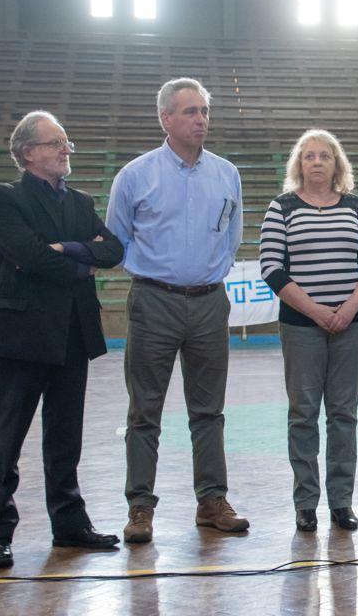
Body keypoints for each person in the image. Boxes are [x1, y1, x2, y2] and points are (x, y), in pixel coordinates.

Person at [0, 111, 124, 568]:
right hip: (22, 334)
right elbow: (27, 257)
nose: (66, 150)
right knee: (9, 437)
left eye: (67, 143)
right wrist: (82, 259)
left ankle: (70, 525)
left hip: (72, 334)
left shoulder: (79, 202)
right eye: (56, 143)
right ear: (28, 153)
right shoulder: (4, 197)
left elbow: (114, 250)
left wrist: (66, 249)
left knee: (65, 436)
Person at [106, 77, 248, 543]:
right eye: (189, 111)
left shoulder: (227, 174)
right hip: (154, 302)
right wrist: (159, 275)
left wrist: (208, 272)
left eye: (204, 110)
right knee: (144, 411)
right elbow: (116, 239)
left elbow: (233, 237)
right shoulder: (135, 175)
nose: (200, 119)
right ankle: (140, 507)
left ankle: (212, 501)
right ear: (165, 118)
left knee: (209, 411)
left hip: (209, 302)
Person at [259, 129, 358, 533]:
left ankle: (341, 502)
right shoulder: (281, 208)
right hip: (301, 328)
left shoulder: (356, 206)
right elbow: (272, 269)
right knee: (303, 415)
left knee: (343, 415)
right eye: (309, 156)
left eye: (324, 156)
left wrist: (347, 309)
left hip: (352, 326)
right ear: (299, 164)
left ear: (337, 164)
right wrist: (316, 312)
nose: (316, 162)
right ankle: (306, 503)